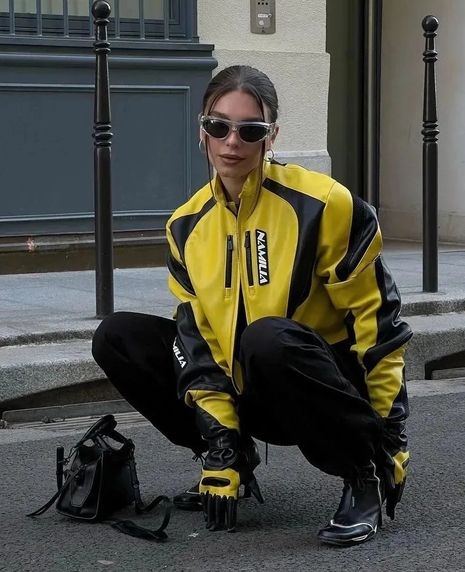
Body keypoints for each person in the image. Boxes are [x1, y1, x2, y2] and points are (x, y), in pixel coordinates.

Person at [92, 65, 412, 546]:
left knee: (267, 336)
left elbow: (378, 325)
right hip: (245, 389)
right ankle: (232, 456)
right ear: (202, 130)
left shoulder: (323, 204)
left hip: (319, 387)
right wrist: (221, 441)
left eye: (250, 130)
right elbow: (196, 344)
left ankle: (363, 474)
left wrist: (391, 437)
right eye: (218, 125)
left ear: (271, 136)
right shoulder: (185, 225)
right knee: (117, 336)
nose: (231, 142)